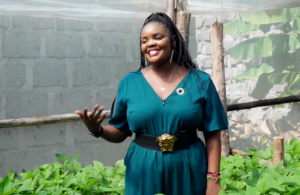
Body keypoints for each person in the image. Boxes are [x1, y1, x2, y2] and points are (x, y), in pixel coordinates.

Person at [75, 12, 228, 195]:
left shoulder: (200, 82)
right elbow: (120, 131)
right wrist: (97, 130)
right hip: (143, 169)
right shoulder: (129, 83)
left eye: (158, 37)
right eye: (144, 40)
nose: (150, 44)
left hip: (188, 167)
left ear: (174, 41)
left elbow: (213, 133)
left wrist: (213, 179)